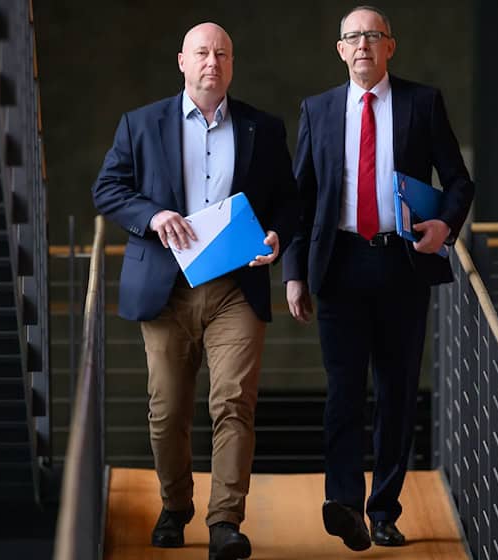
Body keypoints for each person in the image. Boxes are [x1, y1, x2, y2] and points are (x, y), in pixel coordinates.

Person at [92, 22, 298, 560]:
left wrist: (278, 234)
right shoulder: (141, 124)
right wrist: (153, 214)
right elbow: (107, 189)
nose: (213, 61)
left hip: (236, 288)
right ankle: (175, 504)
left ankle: (225, 521)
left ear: (232, 64)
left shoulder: (263, 128)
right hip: (165, 288)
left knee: (233, 403)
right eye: (203, 52)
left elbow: (288, 201)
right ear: (182, 61)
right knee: (168, 410)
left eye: (223, 53)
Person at [282, 5, 475, 550]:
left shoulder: (422, 102)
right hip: (338, 265)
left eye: (372, 35)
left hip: (402, 264)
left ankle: (385, 509)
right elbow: (302, 199)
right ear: (339, 50)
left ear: (391, 46)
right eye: (352, 37)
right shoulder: (317, 110)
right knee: (343, 392)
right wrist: (295, 274)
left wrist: (444, 226)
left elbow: (459, 180)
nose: (362, 44)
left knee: (396, 394)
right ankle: (344, 503)